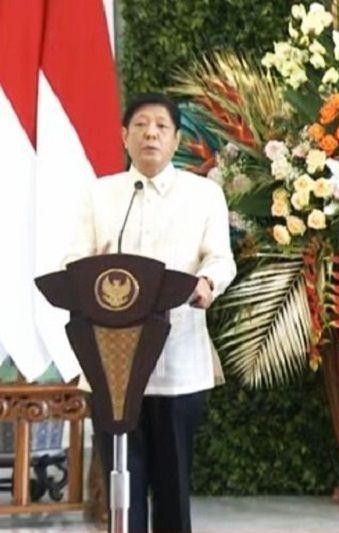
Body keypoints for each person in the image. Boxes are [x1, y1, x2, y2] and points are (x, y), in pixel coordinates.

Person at [66, 93, 236, 532]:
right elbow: (75, 262)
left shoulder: (204, 195)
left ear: (176, 138)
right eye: (140, 125)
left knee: (172, 485)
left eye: (161, 125)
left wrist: (206, 284)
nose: (150, 134)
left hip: (177, 361)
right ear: (125, 136)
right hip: (110, 365)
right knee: (122, 487)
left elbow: (220, 258)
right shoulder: (99, 195)